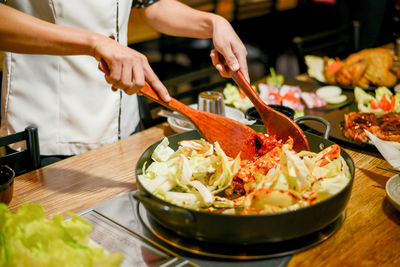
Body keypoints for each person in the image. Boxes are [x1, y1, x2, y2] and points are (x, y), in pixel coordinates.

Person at [0, 1, 249, 165]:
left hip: (126, 127)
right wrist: (94, 42)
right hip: (50, 136)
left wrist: (214, 23)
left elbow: (151, 5)